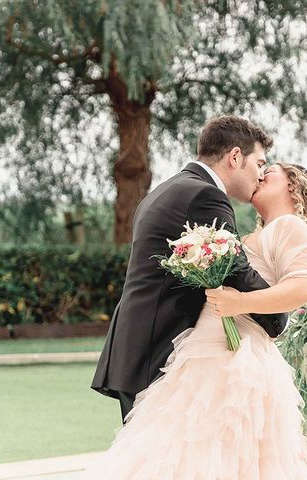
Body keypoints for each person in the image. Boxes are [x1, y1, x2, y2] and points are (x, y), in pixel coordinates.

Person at [91, 157, 307, 479]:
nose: (260, 175)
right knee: (185, 442)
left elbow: (302, 289)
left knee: (220, 445)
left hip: (236, 354)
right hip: (203, 345)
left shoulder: (291, 226)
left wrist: (240, 302)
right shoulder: (252, 235)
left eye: (270, 172)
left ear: (294, 186)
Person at [91, 115, 289, 422]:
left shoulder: (169, 188)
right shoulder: (204, 195)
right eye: (259, 163)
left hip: (139, 343)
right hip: (159, 348)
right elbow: (234, 268)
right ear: (235, 157)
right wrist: (278, 318)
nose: (260, 175)